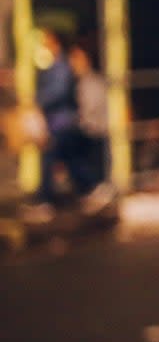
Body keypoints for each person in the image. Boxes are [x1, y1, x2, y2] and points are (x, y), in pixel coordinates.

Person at [26, 29, 97, 222]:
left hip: (62, 123)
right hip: (59, 123)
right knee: (70, 159)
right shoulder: (52, 66)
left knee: (50, 159)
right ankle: (89, 189)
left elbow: (57, 92)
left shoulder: (61, 66)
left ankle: (46, 200)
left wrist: (38, 100)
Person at [68, 36, 116, 214]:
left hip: (96, 131)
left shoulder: (92, 82)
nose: (72, 63)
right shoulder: (81, 82)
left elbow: (91, 110)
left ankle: (98, 189)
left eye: (76, 58)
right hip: (92, 130)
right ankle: (92, 189)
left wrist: (79, 121)